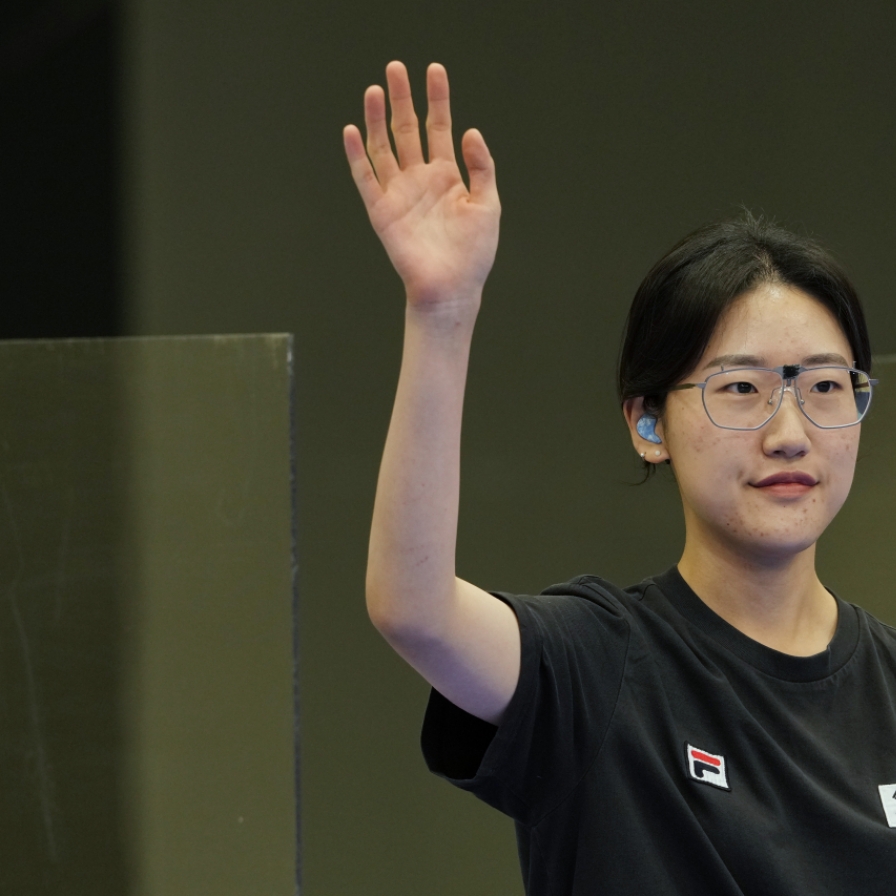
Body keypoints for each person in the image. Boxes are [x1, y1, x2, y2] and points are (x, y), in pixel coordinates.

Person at [344, 61, 896, 895]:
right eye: (741, 389)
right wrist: (442, 310)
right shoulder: (599, 664)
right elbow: (413, 610)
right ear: (647, 424)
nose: (791, 434)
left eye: (825, 387)